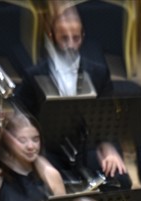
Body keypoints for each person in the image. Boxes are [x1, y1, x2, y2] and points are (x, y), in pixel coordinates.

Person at [14, 3, 130, 191]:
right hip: (51, 151)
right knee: (44, 186)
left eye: (75, 38)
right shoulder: (34, 75)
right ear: (51, 36)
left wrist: (109, 149)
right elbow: (21, 114)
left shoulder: (98, 73)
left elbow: (107, 120)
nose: (70, 44)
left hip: (88, 149)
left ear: (83, 37)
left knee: (120, 181)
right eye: (64, 38)